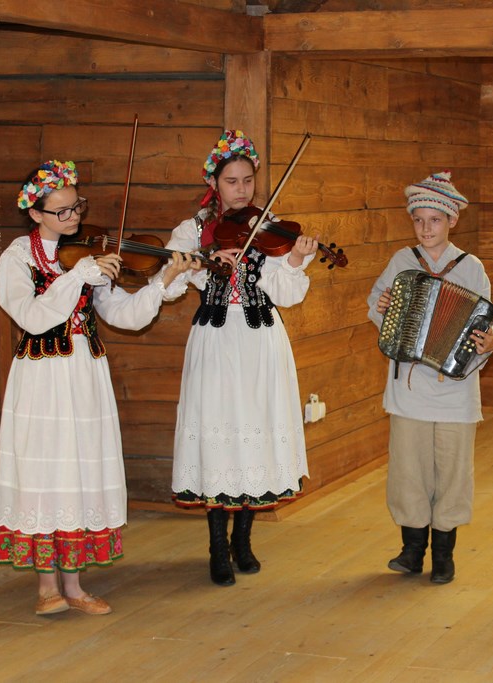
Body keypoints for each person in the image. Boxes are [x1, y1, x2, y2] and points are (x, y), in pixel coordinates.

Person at [0, 160, 196, 616]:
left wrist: (161, 283)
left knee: (81, 466)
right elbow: (32, 317)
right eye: (62, 211)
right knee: (45, 468)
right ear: (36, 214)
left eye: (77, 207)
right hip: (41, 377)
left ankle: (75, 584)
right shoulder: (17, 258)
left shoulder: (88, 253)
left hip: (85, 372)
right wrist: (76, 276)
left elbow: (124, 315)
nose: (74, 218)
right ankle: (46, 586)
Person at [164, 130, 318, 586]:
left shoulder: (268, 228)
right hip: (215, 342)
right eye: (231, 181)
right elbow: (168, 287)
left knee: (254, 431)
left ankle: (243, 542)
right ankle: (217, 547)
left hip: (259, 343)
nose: (242, 190)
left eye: (248, 180)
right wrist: (196, 262)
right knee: (218, 434)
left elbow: (286, 295)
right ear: (213, 182)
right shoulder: (193, 231)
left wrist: (295, 262)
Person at [366, 171, 493, 585]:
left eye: (435, 220)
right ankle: (411, 551)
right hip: (409, 386)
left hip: (455, 389)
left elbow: (489, 321)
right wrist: (383, 307)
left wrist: (491, 341)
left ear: (452, 221)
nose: (426, 229)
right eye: (419, 220)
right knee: (409, 470)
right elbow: (377, 304)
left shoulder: (471, 267)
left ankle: (444, 556)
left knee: (453, 473)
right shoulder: (401, 261)